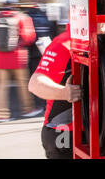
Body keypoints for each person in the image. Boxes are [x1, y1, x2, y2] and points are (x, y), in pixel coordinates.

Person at [27, 22, 81, 159]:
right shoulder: (64, 42)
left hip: (93, 131)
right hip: (63, 133)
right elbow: (35, 83)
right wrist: (65, 93)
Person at [0, 0, 42, 122]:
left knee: (1, 86)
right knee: (23, 83)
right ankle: (28, 109)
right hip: (17, 57)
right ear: (14, 4)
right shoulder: (22, 17)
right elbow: (29, 37)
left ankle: (1, 114)